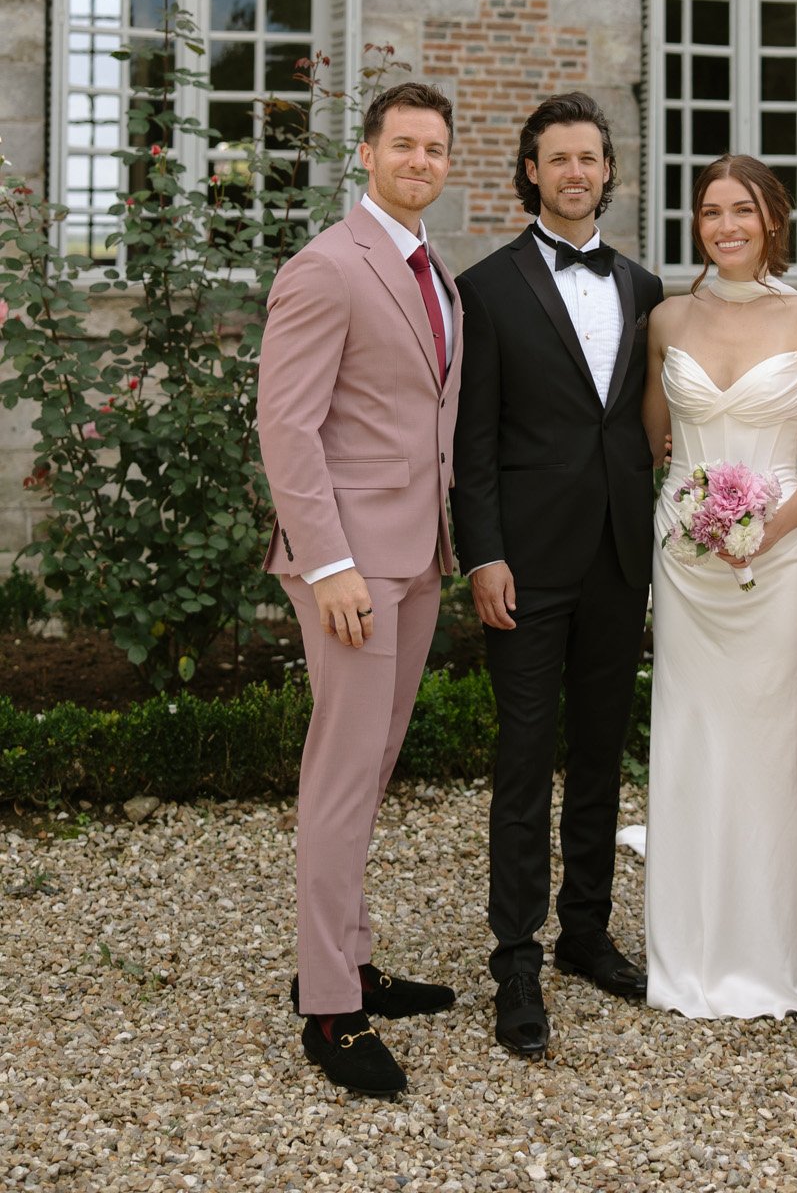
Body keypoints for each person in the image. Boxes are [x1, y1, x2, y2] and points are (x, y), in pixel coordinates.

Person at [257, 81, 465, 1099]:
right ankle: (330, 1011)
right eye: (404, 145)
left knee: (371, 768)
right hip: (350, 565)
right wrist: (330, 561)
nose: (420, 160)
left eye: (435, 147)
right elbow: (286, 427)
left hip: (416, 554)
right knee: (341, 776)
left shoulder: (434, 271)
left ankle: (345, 954)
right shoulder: (327, 268)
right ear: (368, 155)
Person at [451, 93, 663, 1058]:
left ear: (608, 172)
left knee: (599, 753)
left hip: (621, 558)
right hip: (525, 568)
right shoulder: (483, 289)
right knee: (524, 761)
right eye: (558, 160)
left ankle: (585, 932)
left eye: (590, 158)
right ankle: (515, 959)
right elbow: (473, 442)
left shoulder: (647, 288)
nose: (576, 173)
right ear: (530, 172)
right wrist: (483, 553)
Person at [641, 156, 797, 1019]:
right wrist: (690, 516)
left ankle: (784, 949)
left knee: (783, 746)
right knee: (694, 740)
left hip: (784, 557)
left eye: (741, 211)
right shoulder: (665, 318)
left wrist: (764, 525)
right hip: (687, 566)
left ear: (773, 219)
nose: (724, 226)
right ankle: (689, 951)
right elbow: (656, 441)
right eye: (708, 212)